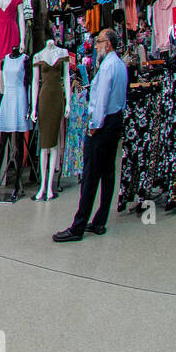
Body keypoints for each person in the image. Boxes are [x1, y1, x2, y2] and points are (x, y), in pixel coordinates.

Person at [54, 29, 129, 242]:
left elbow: (102, 99)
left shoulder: (107, 68)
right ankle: (99, 221)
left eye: (99, 42)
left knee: (90, 176)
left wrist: (94, 126)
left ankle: (77, 227)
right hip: (114, 122)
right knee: (107, 172)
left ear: (109, 44)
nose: (95, 46)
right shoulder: (121, 65)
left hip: (102, 125)